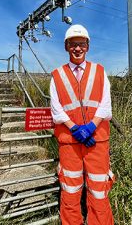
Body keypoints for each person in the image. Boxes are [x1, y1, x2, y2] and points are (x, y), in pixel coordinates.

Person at [50, 24, 115, 225]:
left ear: (87, 46)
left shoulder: (100, 71)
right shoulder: (57, 75)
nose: (77, 48)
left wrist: (90, 128)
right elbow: (56, 109)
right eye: (72, 44)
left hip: (96, 140)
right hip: (70, 142)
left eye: (81, 44)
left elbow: (105, 105)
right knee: (70, 189)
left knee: (98, 190)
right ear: (66, 47)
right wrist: (75, 129)